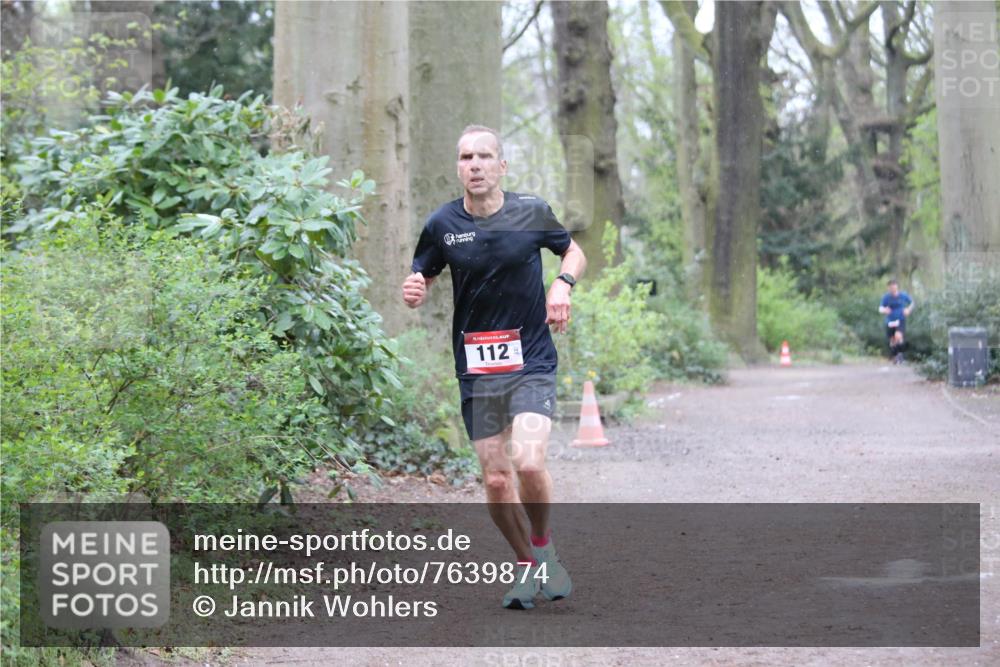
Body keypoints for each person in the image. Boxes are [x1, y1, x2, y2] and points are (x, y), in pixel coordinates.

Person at [401, 125, 586, 610]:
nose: (475, 165)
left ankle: (544, 548)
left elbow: (573, 249)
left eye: (485, 156)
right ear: (458, 166)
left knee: (527, 461)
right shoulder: (442, 223)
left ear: (502, 165)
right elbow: (423, 271)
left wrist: (563, 284)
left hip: (531, 362)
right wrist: (416, 287)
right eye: (466, 157)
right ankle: (525, 563)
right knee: (497, 479)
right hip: (478, 367)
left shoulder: (531, 212)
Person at [879, 279, 914, 364]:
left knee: (898, 336)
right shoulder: (886, 297)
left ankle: (901, 356)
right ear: (888, 288)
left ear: (897, 287)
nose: (892, 289)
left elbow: (912, 302)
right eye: (890, 288)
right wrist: (884, 310)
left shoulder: (903, 295)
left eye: (894, 287)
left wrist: (908, 309)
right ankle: (895, 356)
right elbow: (880, 308)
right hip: (890, 321)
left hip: (900, 319)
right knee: (892, 340)